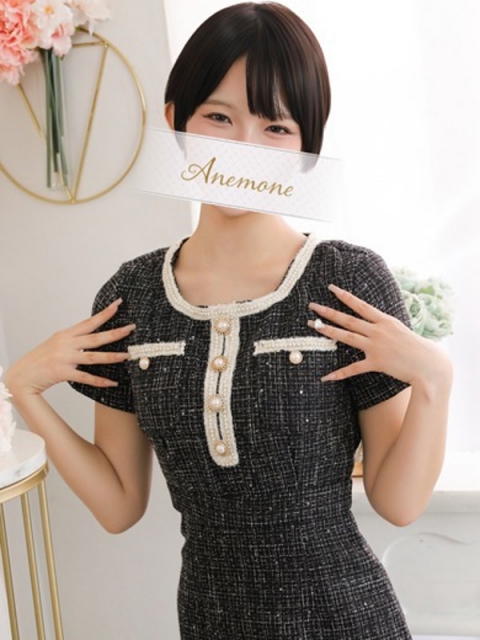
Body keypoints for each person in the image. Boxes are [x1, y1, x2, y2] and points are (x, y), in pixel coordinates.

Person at [5, 3, 452, 638]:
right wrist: (25, 391)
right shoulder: (132, 297)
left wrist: (435, 381)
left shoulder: (348, 280)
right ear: (176, 123)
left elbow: (398, 503)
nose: (244, 150)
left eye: (276, 127)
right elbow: (118, 506)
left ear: (306, 149)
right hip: (210, 619)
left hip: (346, 618)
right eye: (219, 118)